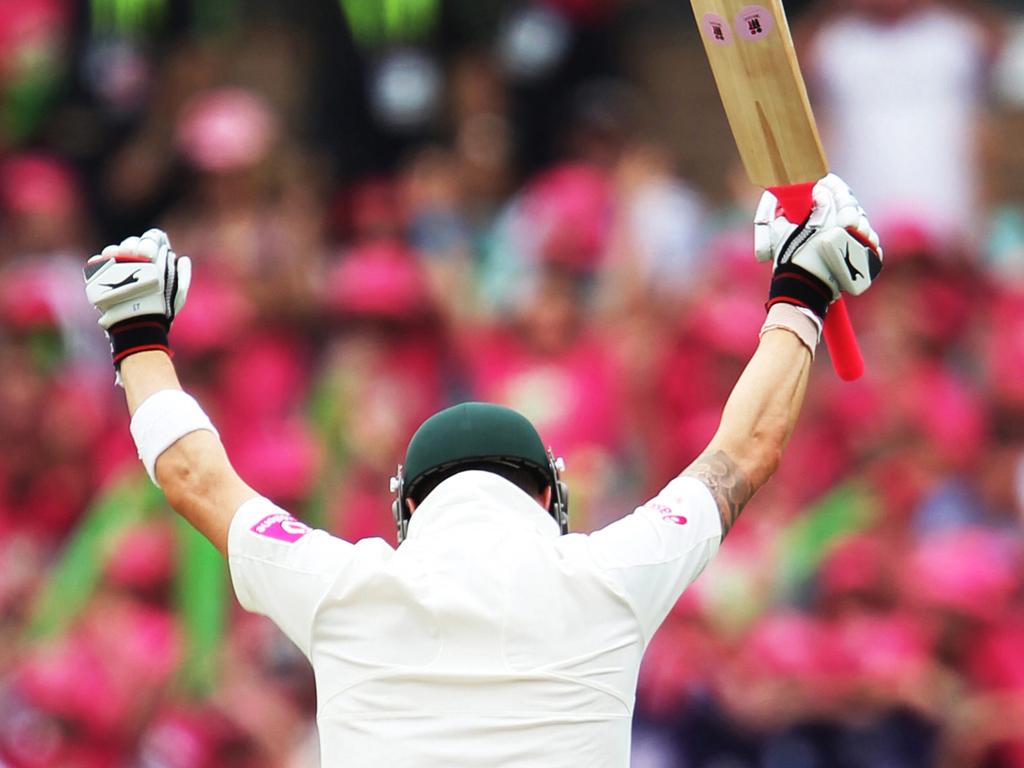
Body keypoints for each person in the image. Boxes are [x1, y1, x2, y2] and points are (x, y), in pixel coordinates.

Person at [82, 173, 882, 767]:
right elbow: (745, 452)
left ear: (406, 507)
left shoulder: (345, 586)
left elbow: (192, 476)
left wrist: (136, 335)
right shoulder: (608, 573)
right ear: (550, 495)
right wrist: (801, 291)